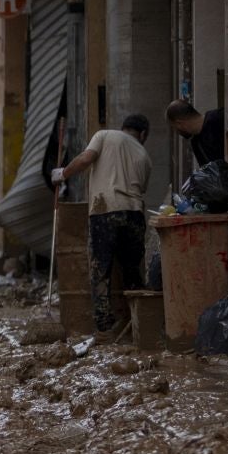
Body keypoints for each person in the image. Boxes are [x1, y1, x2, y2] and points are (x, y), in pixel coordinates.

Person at [53, 113, 154, 336]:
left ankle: (104, 327)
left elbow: (86, 159)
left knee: (100, 270)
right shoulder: (145, 155)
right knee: (132, 272)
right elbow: (141, 188)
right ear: (143, 134)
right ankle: (139, 327)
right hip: (134, 214)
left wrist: (63, 174)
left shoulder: (105, 135)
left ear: (123, 127)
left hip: (105, 210)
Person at [166, 98, 226, 167]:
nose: (176, 132)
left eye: (174, 127)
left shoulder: (218, 118)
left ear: (179, 124)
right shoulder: (195, 143)